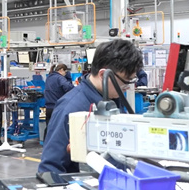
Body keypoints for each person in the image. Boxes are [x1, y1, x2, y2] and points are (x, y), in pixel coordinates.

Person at [38, 40, 143, 174]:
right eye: (125, 81)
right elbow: (49, 169)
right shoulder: (70, 108)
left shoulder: (113, 99)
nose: (127, 87)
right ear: (104, 75)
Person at [43, 63, 74, 140]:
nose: (65, 74)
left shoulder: (49, 77)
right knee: (58, 129)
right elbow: (69, 88)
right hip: (57, 108)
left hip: (48, 108)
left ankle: (45, 142)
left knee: (49, 127)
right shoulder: (60, 78)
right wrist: (69, 79)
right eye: (65, 72)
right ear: (61, 70)